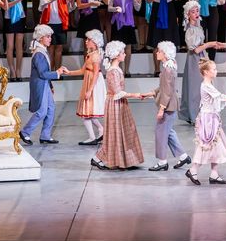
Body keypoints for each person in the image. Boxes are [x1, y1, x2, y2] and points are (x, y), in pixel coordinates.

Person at [185, 59, 226, 186]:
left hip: (211, 118)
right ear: (206, 72)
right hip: (208, 120)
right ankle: (193, 169)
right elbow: (223, 97)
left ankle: (214, 173)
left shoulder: (209, 84)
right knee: (206, 145)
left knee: (216, 145)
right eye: (214, 69)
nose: (216, 71)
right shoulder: (206, 86)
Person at [91, 41, 153, 170]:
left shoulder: (117, 69)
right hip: (115, 104)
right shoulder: (113, 71)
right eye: (123, 52)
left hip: (119, 103)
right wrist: (136, 95)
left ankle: (123, 160)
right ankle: (98, 158)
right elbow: (117, 92)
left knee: (124, 131)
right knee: (115, 132)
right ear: (116, 55)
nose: (125, 54)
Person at [19, 25, 67, 146]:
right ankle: (25, 132)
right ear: (41, 38)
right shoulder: (39, 53)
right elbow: (42, 73)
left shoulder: (43, 51)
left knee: (51, 108)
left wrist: (50, 85)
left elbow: (45, 72)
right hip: (40, 84)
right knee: (42, 111)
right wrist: (57, 72)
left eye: (50, 36)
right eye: (48, 36)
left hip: (45, 83)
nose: (50, 39)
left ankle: (45, 135)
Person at [148, 41, 191, 172]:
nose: (157, 53)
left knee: (161, 133)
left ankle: (162, 161)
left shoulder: (168, 69)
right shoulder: (168, 66)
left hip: (168, 106)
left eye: (159, 51)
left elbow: (167, 91)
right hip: (169, 104)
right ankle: (183, 156)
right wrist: (152, 92)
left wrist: (161, 108)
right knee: (169, 132)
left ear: (165, 54)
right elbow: (164, 87)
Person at [65, 29, 107, 146]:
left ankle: (92, 137)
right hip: (88, 82)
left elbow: (96, 74)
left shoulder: (96, 56)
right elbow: (83, 70)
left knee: (87, 112)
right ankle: (101, 130)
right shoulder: (90, 54)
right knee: (89, 112)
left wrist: (90, 90)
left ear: (95, 42)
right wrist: (69, 72)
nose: (86, 41)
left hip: (93, 84)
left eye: (89, 40)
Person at [180, 1, 219, 123]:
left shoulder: (198, 27)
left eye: (197, 11)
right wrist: (209, 44)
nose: (196, 13)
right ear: (188, 14)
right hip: (194, 59)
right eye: (193, 12)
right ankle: (194, 114)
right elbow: (195, 49)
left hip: (201, 57)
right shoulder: (190, 30)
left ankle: (202, 113)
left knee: (202, 85)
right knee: (195, 87)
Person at [0, 0, 38, 81]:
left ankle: (19, 71)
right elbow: (6, 6)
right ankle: (12, 71)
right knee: (10, 46)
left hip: (20, 16)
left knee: (19, 46)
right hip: (9, 17)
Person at [38, 0, 74, 71]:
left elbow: (69, 9)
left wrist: (71, 0)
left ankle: (57, 71)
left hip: (60, 24)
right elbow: (42, 4)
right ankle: (50, 72)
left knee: (59, 48)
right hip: (48, 25)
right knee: (50, 49)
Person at [110, 0, 140, 74]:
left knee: (128, 47)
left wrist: (139, 1)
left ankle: (127, 70)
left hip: (128, 21)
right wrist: (115, 9)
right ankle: (119, 70)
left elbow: (137, 8)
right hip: (118, 21)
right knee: (118, 47)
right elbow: (109, 8)